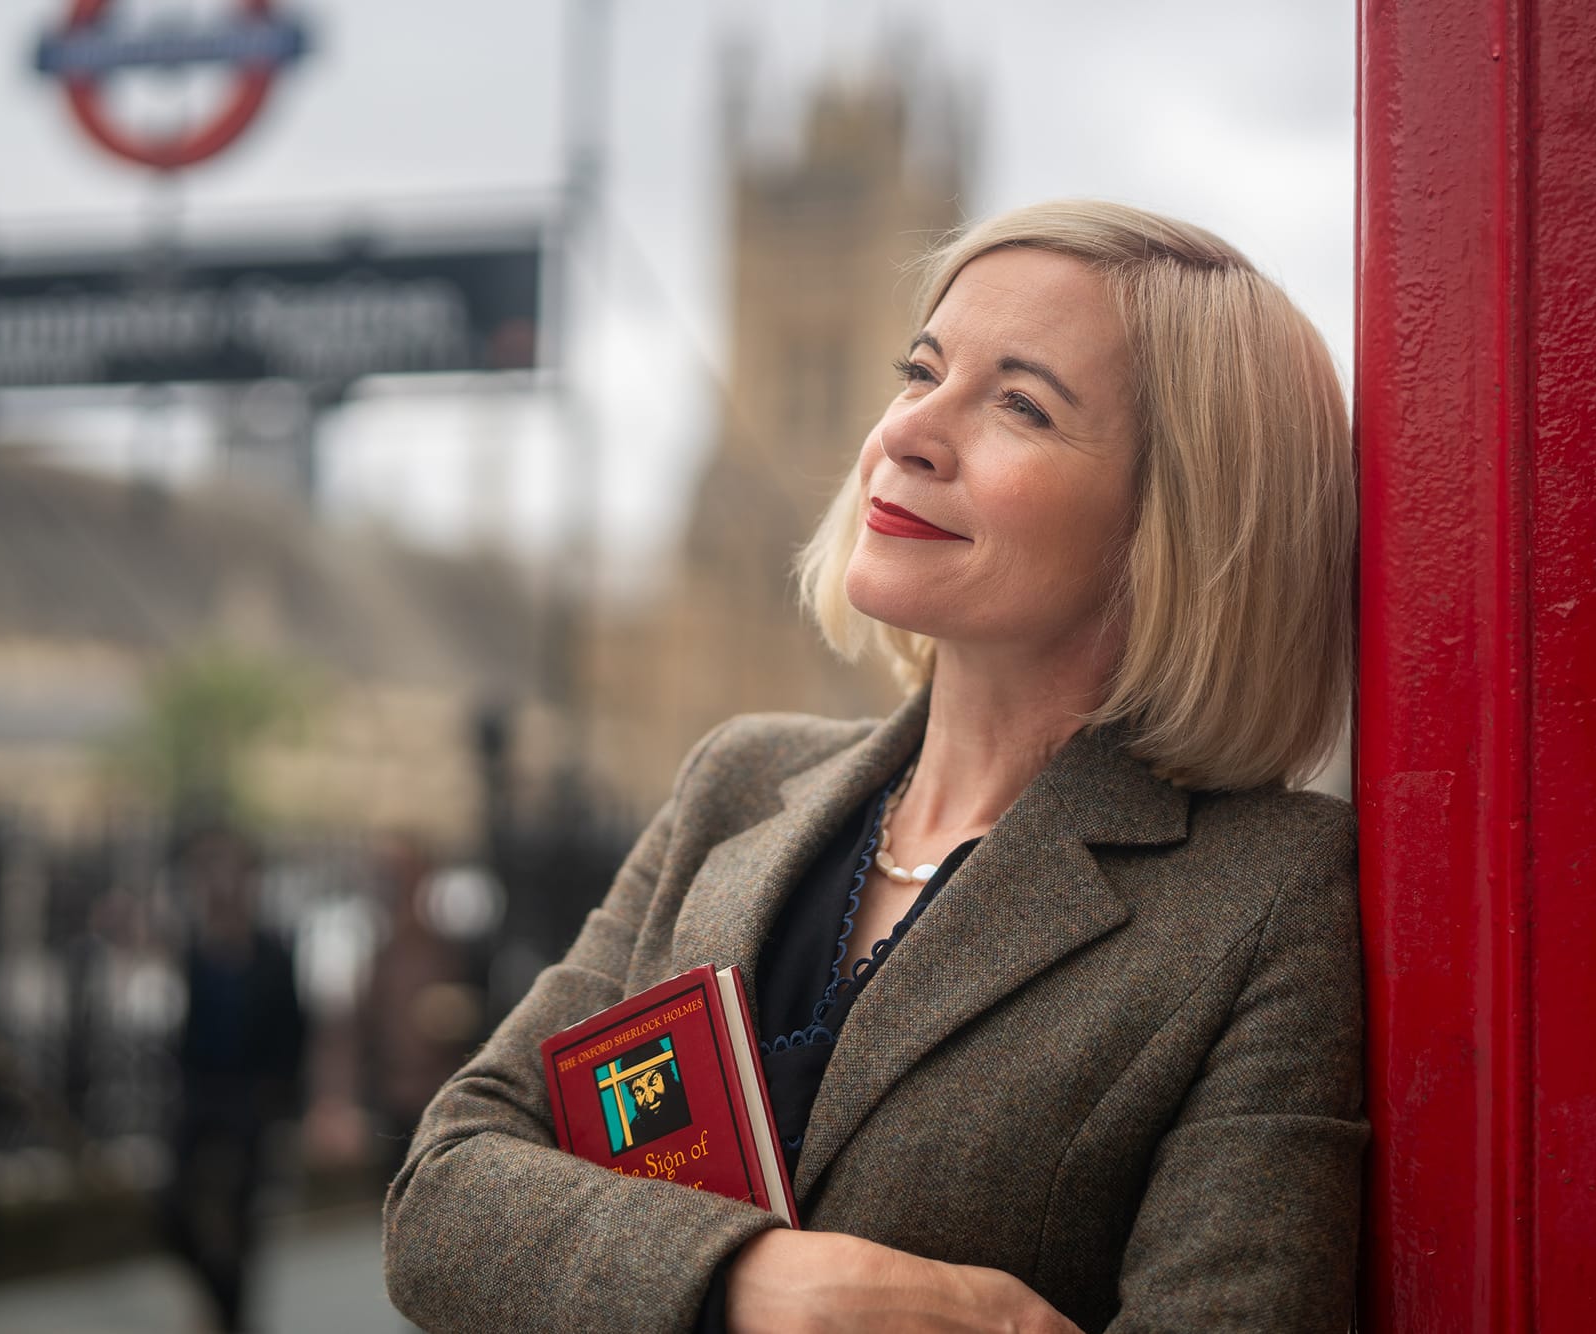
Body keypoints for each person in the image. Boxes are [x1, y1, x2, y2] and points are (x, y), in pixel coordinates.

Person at [383, 199, 1361, 1332]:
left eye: (1019, 405)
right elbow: (444, 1195)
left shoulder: (1265, 895)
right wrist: (764, 1286)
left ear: (1175, 519)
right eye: (920, 370)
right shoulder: (738, 782)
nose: (907, 431)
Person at [163, 825, 306, 1333]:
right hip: (201, 1097)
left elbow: (295, 1035)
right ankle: (221, 1303)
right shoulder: (193, 953)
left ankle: (235, 1317)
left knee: (243, 1220)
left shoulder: (272, 955)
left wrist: (285, 1110)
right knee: (172, 1210)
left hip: (252, 1102)